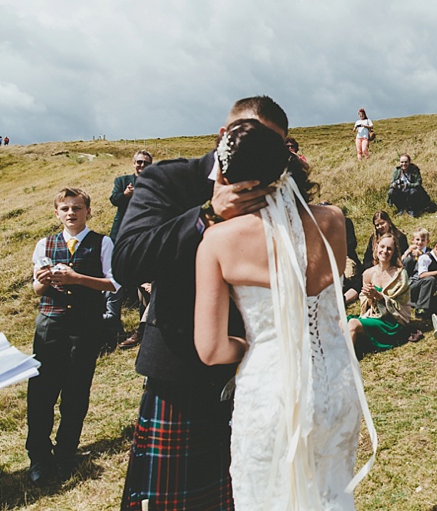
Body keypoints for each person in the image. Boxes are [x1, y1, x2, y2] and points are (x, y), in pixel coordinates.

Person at [113, 95, 289, 511]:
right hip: (182, 370)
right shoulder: (170, 180)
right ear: (223, 136)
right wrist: (207, 214)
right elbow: (127, 261)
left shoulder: (282, 186)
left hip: (263, 373)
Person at [193, 119, 372, 511]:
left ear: (225, 174)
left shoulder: (218, 241)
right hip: (337, 382)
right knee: (332, 494)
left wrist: (250, 345)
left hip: (271, 390)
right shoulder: (332, 220)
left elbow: (210, 349)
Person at [27, 188, 117, 486]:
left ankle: (66, 454)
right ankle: (39, 456)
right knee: (41, 393)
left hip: (85, 326)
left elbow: (114, 284)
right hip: (50, 325)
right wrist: (42, 282)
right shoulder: (45, 243)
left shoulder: (102, 243)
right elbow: (36, 290)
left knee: (76, 393)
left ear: (88, 211)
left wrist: (77, 279)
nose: (71, 213)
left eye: (77, 208)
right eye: (65, 208)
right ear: (56, 213)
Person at [106, 150, 153, 349]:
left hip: (143, 238)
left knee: (144, 281)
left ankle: (145, 324)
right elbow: (114, 200)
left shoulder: (154, 183)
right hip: (121, 236)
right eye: (139, 162)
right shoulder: (122, 180)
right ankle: (112, 324)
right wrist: (126, 194)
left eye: (146, 163)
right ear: (133, 163)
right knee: (114, 278)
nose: (142, 166)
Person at [347, 236, 411, 352]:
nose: (385, 251)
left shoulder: (400, 274)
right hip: (374, 316)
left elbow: (402, 307)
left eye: (389, 249)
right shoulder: (368, 274)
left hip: (392, 322)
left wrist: (379, 296)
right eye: (382, 247)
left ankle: (347, 363)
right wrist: (370, 297)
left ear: (394, 253)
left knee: (353, 324)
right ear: (376, 248)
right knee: (341, 322)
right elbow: (367, 305)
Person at [409, 236, 437, 318]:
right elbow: (422, 275)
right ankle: (420, 309)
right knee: (430, 279)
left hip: (422, 292)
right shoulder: (425, 258)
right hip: (412, 289)